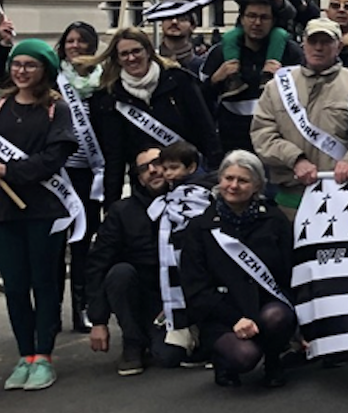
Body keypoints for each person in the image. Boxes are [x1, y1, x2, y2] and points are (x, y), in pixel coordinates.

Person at [0, 40, 78, 391]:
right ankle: (25, 354)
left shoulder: (55, 109)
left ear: (45, 70)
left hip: (45, 210)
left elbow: (54, 157)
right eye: (18, 64)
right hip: (5, 213)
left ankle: (44, 355)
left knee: (45, 283)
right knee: (14, 286)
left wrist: (9, 171)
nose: (22, 71)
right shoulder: (1, 105)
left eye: (30, 65)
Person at [180, 150, 295, 388]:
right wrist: (234, 319)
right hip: (222, 313)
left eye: (242, 180)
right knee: (244, 357)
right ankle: (222, 362)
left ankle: (274, 360)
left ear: (257, 187)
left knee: (278, 316)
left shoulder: (274, 221)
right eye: (228, 178)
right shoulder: (199, 228)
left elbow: (288, 272)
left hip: (265, 305)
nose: (233, 186)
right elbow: (195, 287)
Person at [86, 146, 191, 376]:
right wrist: (98, 320)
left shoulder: (192, 203)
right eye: (144, 169)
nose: (153, 171)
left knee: (170, 356)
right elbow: (97, 264)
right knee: (119, 273)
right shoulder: (121, 212)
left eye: (158, 163)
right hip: (143, 296)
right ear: (139, 178)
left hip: (182, 296)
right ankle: (133, 342)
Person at [91, 28, 222, 205]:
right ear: (117, 59)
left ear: (148, 51)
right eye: (124, 54)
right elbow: (115, 157)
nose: (131, 58)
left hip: (188, 178)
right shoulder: (109, 98)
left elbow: (206, 130)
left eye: (136, 51)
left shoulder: (179, 80)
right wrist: (111, 205)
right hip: (147, 185)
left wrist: (215, 175)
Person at [252, 18, 348, 219]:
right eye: (313, 41)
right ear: (303, 44)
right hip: (291, 197)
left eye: (326, 42)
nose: (318, 48)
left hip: (344, 195)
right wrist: (295, 159)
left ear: (339, 46)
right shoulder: (277, 87)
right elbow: (262, 134)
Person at [202, 0, 304, 154]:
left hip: (277, 141)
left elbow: (305, 96)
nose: (257, 22)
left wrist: (285, 79)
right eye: (251, 16)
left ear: (273, 22)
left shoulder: (290, 52)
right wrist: (215, 79)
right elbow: (201, 101)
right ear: (242, 19)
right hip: (231, 142)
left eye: (264, 17)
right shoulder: (219, 52)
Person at [53, 21, 106, 332]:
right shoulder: (53, 80)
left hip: (91, 174)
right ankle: (53, 310)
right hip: (59, 174)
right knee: (57, 244)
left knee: (84, 242)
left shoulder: (103, 81)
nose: (74, 46)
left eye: (81, 41)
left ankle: (81, 308)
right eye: (69, 40)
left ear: (92, 46)